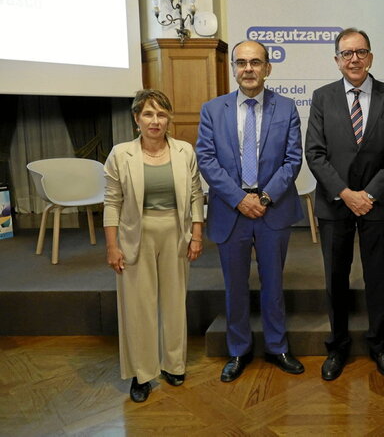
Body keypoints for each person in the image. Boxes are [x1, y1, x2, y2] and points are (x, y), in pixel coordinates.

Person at [196, 40, 305, 382]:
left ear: (267, 68)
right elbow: (207, 160)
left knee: (273, 285)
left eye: (255, 62)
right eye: (242, 63)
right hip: (232, 211)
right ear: (233, 68)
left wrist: (266, 197)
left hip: (273, 210)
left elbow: (292, 160)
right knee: (235, 287)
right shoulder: (213, 110)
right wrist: (239, 198)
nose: (248, 69)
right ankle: (239, 350)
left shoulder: (286, 108)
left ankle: (277, 347)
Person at [305, 28, 384, 380]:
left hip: (376, 205)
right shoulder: (322, 98)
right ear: (336, 60)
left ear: (371, 57)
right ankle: (337, 346)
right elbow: (315, 154)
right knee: (336, 278)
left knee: (377, 277)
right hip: (335, 204)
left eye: (361, 52)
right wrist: (346, 193)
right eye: (346, 53)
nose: (354, 59)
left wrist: (369, 194)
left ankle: (379, 344)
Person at [104, 89, 204, 403]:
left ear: (169, 118)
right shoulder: (121, 154)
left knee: (175, 302)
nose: (155, 121)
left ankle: (173, 365)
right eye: (148, 114)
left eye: (161, 114)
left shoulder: (184, 151)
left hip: (176, 232)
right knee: (139, 306)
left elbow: (196, 196)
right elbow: (111, 203)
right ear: (137, 119)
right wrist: (112, 246)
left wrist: (197, 235)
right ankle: (142, 373)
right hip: (136, 235)